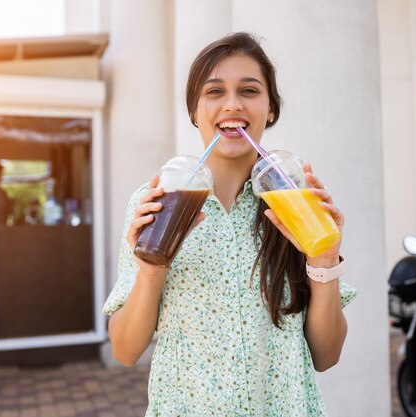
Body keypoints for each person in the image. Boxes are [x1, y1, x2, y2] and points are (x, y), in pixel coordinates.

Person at [103, 32, 357, 416]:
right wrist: (152, 271)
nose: (232, 104)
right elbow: (124, 350)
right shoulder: (156, 201)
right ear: (194, 110)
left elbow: (327, 355)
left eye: (249, 91)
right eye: (215, 91)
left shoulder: (297, 202)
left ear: (271, 109)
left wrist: (324, 262)